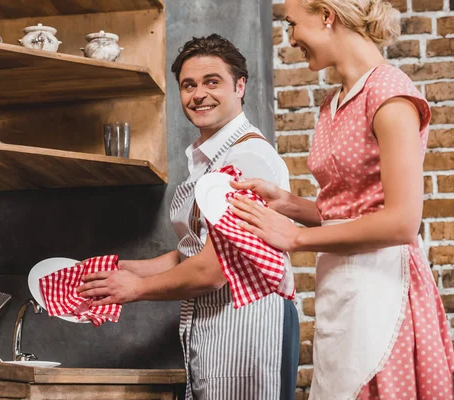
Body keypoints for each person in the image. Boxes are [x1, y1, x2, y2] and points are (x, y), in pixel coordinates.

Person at [227, 1, 454, 399]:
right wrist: (288, 203)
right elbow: (350, 210)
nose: (291, 36)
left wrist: (295, 239)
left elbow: (401, 222)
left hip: (384, 291)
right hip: (342, 290)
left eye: (294, 24)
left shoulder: (389, 93)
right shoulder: (334, 101)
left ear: (327, 16)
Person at [78, 34, 300, 400]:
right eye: (188, 85)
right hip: (216, 325)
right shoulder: (208, 157)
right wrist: (120, 271)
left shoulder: (247, 159)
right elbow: (191, 255)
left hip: (251, 328)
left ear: (240, 86)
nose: (199, 94)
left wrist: (136, 289)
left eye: (212, 82)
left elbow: (212, 271)